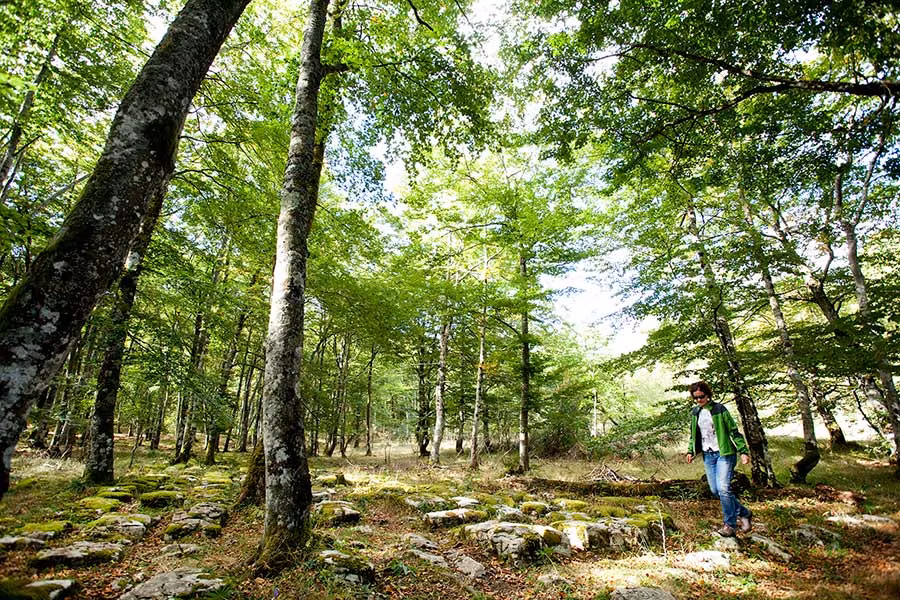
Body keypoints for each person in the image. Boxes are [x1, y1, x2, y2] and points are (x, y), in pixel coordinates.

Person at [684, 381, 753, 537]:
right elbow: (693, 435)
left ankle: (730, 525)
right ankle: (744, 513)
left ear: (708, 395)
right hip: (708, 455)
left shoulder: (719, 409)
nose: (699, 400)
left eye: (701, 397)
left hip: (725, 453)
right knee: (715, 490)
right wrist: (690, 451)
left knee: (723, 488)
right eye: (695, 398)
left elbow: (734, 431)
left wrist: (743, 451)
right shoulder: (695, 413)